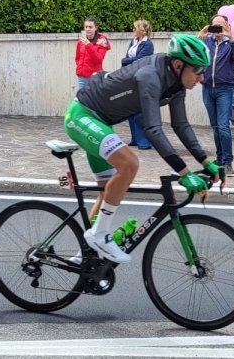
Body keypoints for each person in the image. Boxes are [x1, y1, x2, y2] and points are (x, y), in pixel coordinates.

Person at [65, 34, 221, 263]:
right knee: (129, 163)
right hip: (81, 116)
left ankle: (84, 256)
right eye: (198, 70)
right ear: (179, 65)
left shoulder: (177, 84)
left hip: (100, 123)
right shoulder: (151, 75)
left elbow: (180, 125)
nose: (202, 77)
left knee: (107, 189)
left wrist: (206, 160)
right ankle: (99, 235)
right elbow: (153, 129)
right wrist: (184, 173)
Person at [200, 14, 234, 177]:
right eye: (214, 26)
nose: (217, 29)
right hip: (207, 89)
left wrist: (231, 37)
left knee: (223, 126)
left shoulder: (230, 43)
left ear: (227, 26)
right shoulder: (207, 42)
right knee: (216, 127)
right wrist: (200, 36)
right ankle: (219, 159)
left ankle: (228, 162)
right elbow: (194, 53)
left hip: (224, 89)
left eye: (221, 25)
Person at [121, 19, 155, 149]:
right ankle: (135, 138)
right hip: (130, 77)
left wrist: (126, 60)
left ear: (141, 30)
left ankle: (144, 141)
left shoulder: (148, 44)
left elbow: (140, 61)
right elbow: (129, 59)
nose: (133, 30)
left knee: (140, 111)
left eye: (135, 28)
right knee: (131, 109)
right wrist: (127, 61)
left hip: (141, 78)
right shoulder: (133, 41)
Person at [74, 17, 111, 91]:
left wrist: (88, 45)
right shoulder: (81, 41)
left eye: (90, 27)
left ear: (95, 28)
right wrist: (80, 67)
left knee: (94, 102)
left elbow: (98, 60)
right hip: (81, 78)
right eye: (86, 27)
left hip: (94, 78)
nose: (88, 29)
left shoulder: (102, 41)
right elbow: (77, 58)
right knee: (81, 101)